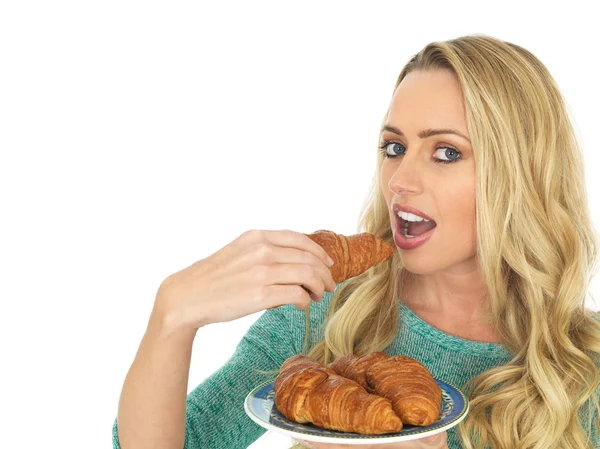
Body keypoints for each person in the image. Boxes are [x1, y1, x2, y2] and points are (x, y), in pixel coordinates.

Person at [111, 34, 600, 449]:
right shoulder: (321, 314)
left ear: (520, 175)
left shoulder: (585, 367)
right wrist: (171, 316)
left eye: (446, 152)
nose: (400, 180)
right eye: (394, 147)